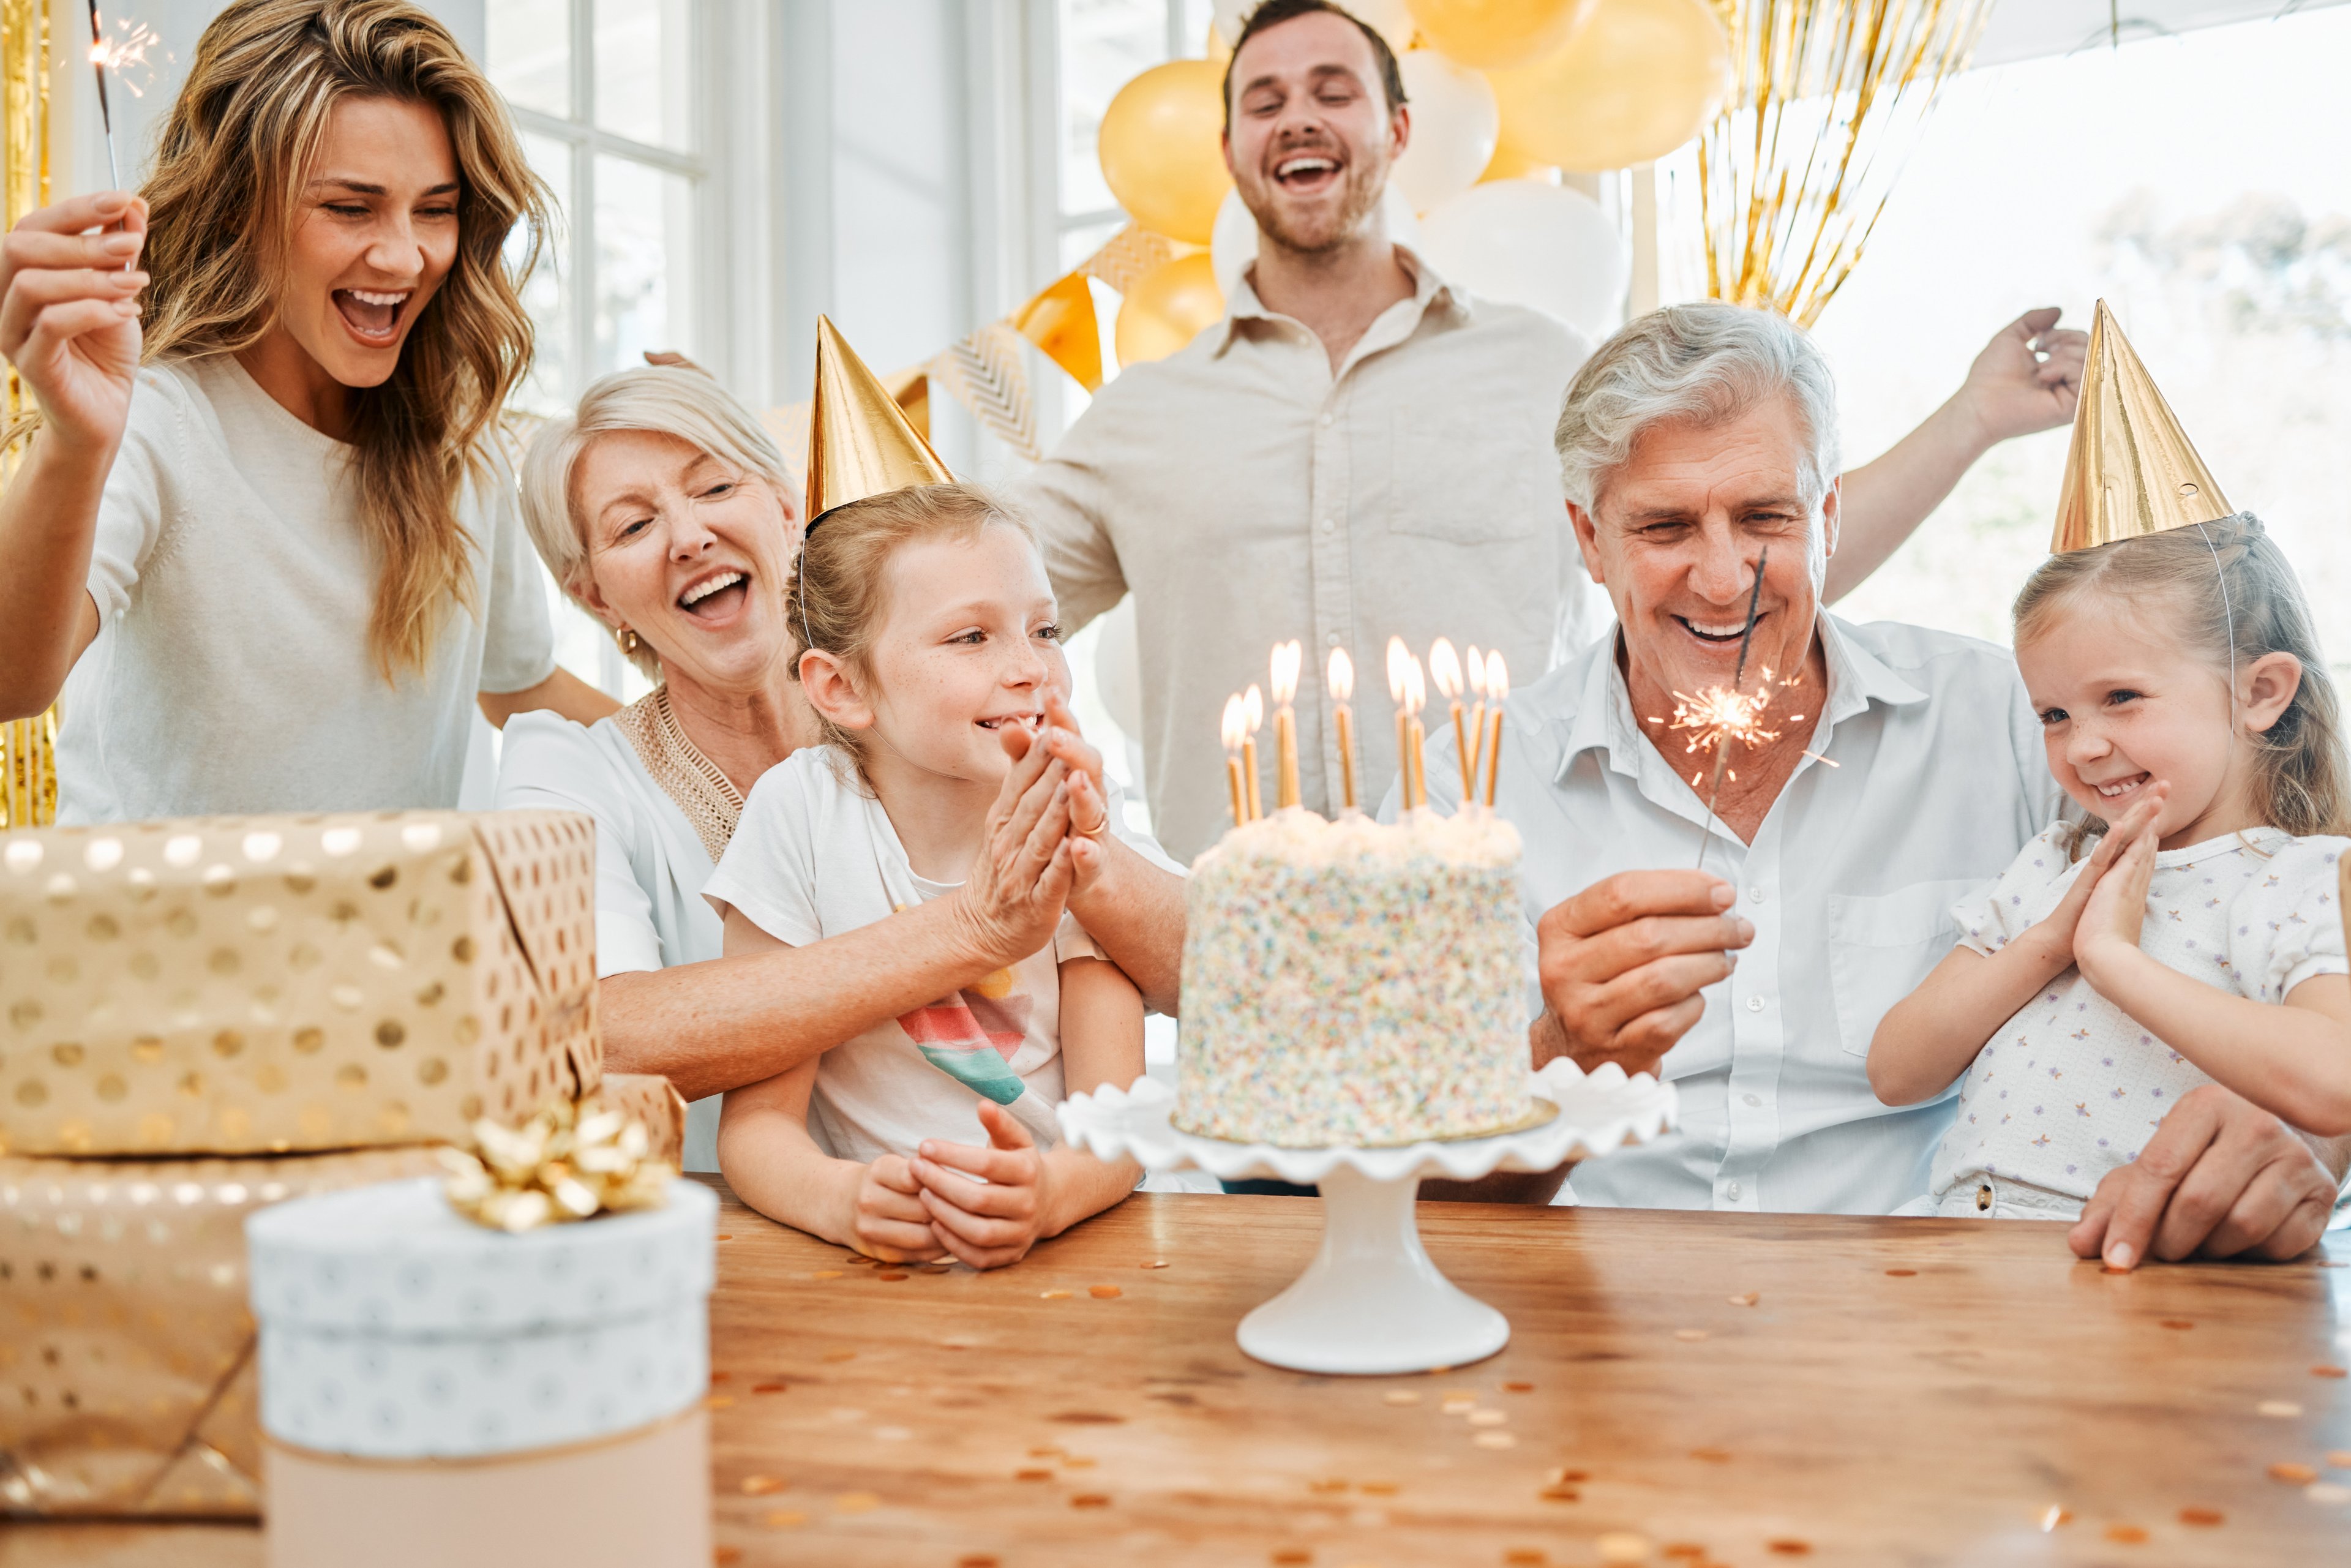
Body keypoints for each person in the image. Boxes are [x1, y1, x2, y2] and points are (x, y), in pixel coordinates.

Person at [1011, 0, 2090, 863]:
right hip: (1240, 951)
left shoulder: (1546, 367)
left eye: (1333, 91)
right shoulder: (1140, 416)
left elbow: (1748, 575)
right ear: (1233, 148)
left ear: (1396, 129)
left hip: (1526, 929)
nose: (1298, 116)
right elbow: (955, 603)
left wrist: (1972, 420)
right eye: (1265, 100)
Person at [1418, 300, 2346, 1264]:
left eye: (1765, 517)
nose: (1726, 576)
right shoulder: (1472, 785)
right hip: (1597, 1311)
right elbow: (1429, 1200)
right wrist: (1572, 1054)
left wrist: (2308, 1139)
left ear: (1827, 517)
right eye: (1663, 527)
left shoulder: (2016, 720)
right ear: (1588, 539)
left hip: (1941, 1303)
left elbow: (2253, 911)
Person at [499, 344, 1183, 1172]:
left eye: (717, 486)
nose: (690, 535)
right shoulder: (567, 767)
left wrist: (1081, 851)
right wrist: (973, 927)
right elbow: (589, 1040)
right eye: (634, 525)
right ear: (595, 595)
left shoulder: (965, 743)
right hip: (772, 1247)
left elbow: (1226, 983)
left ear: (788, 510)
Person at [0, 0, 612, 821]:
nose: (404, 257)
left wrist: (747, 754)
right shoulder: (161, 419)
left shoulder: (459, 439)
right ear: (237, 209)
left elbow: (522, 685)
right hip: (153, 942)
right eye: (350, 208)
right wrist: (77, 441)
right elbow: (12, 680)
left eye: (435, 208)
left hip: (397, 944)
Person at [710, 482, 1146, 1267]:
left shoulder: (1074, 807)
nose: (1029, 668)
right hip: (880, 1268)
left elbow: (1118, 1123)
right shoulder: (801, 813)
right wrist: (842, 1199)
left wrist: (1047, 1194)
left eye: (1045, 629)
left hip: (1082, 1240)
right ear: (841, 687)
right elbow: (755, 1128)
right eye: (971, 636)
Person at [1870, 516, 2351, 1218]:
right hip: (1957, 1249)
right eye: (2055, 713)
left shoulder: (2298, 877)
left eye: (2121, 697)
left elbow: (2334, 1075)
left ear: (2259, 692)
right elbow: (1896, 1070)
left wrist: (2112, 958)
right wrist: (2048, 941)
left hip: (2137, 1269)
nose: (2084, 746)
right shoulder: (2054, 864)